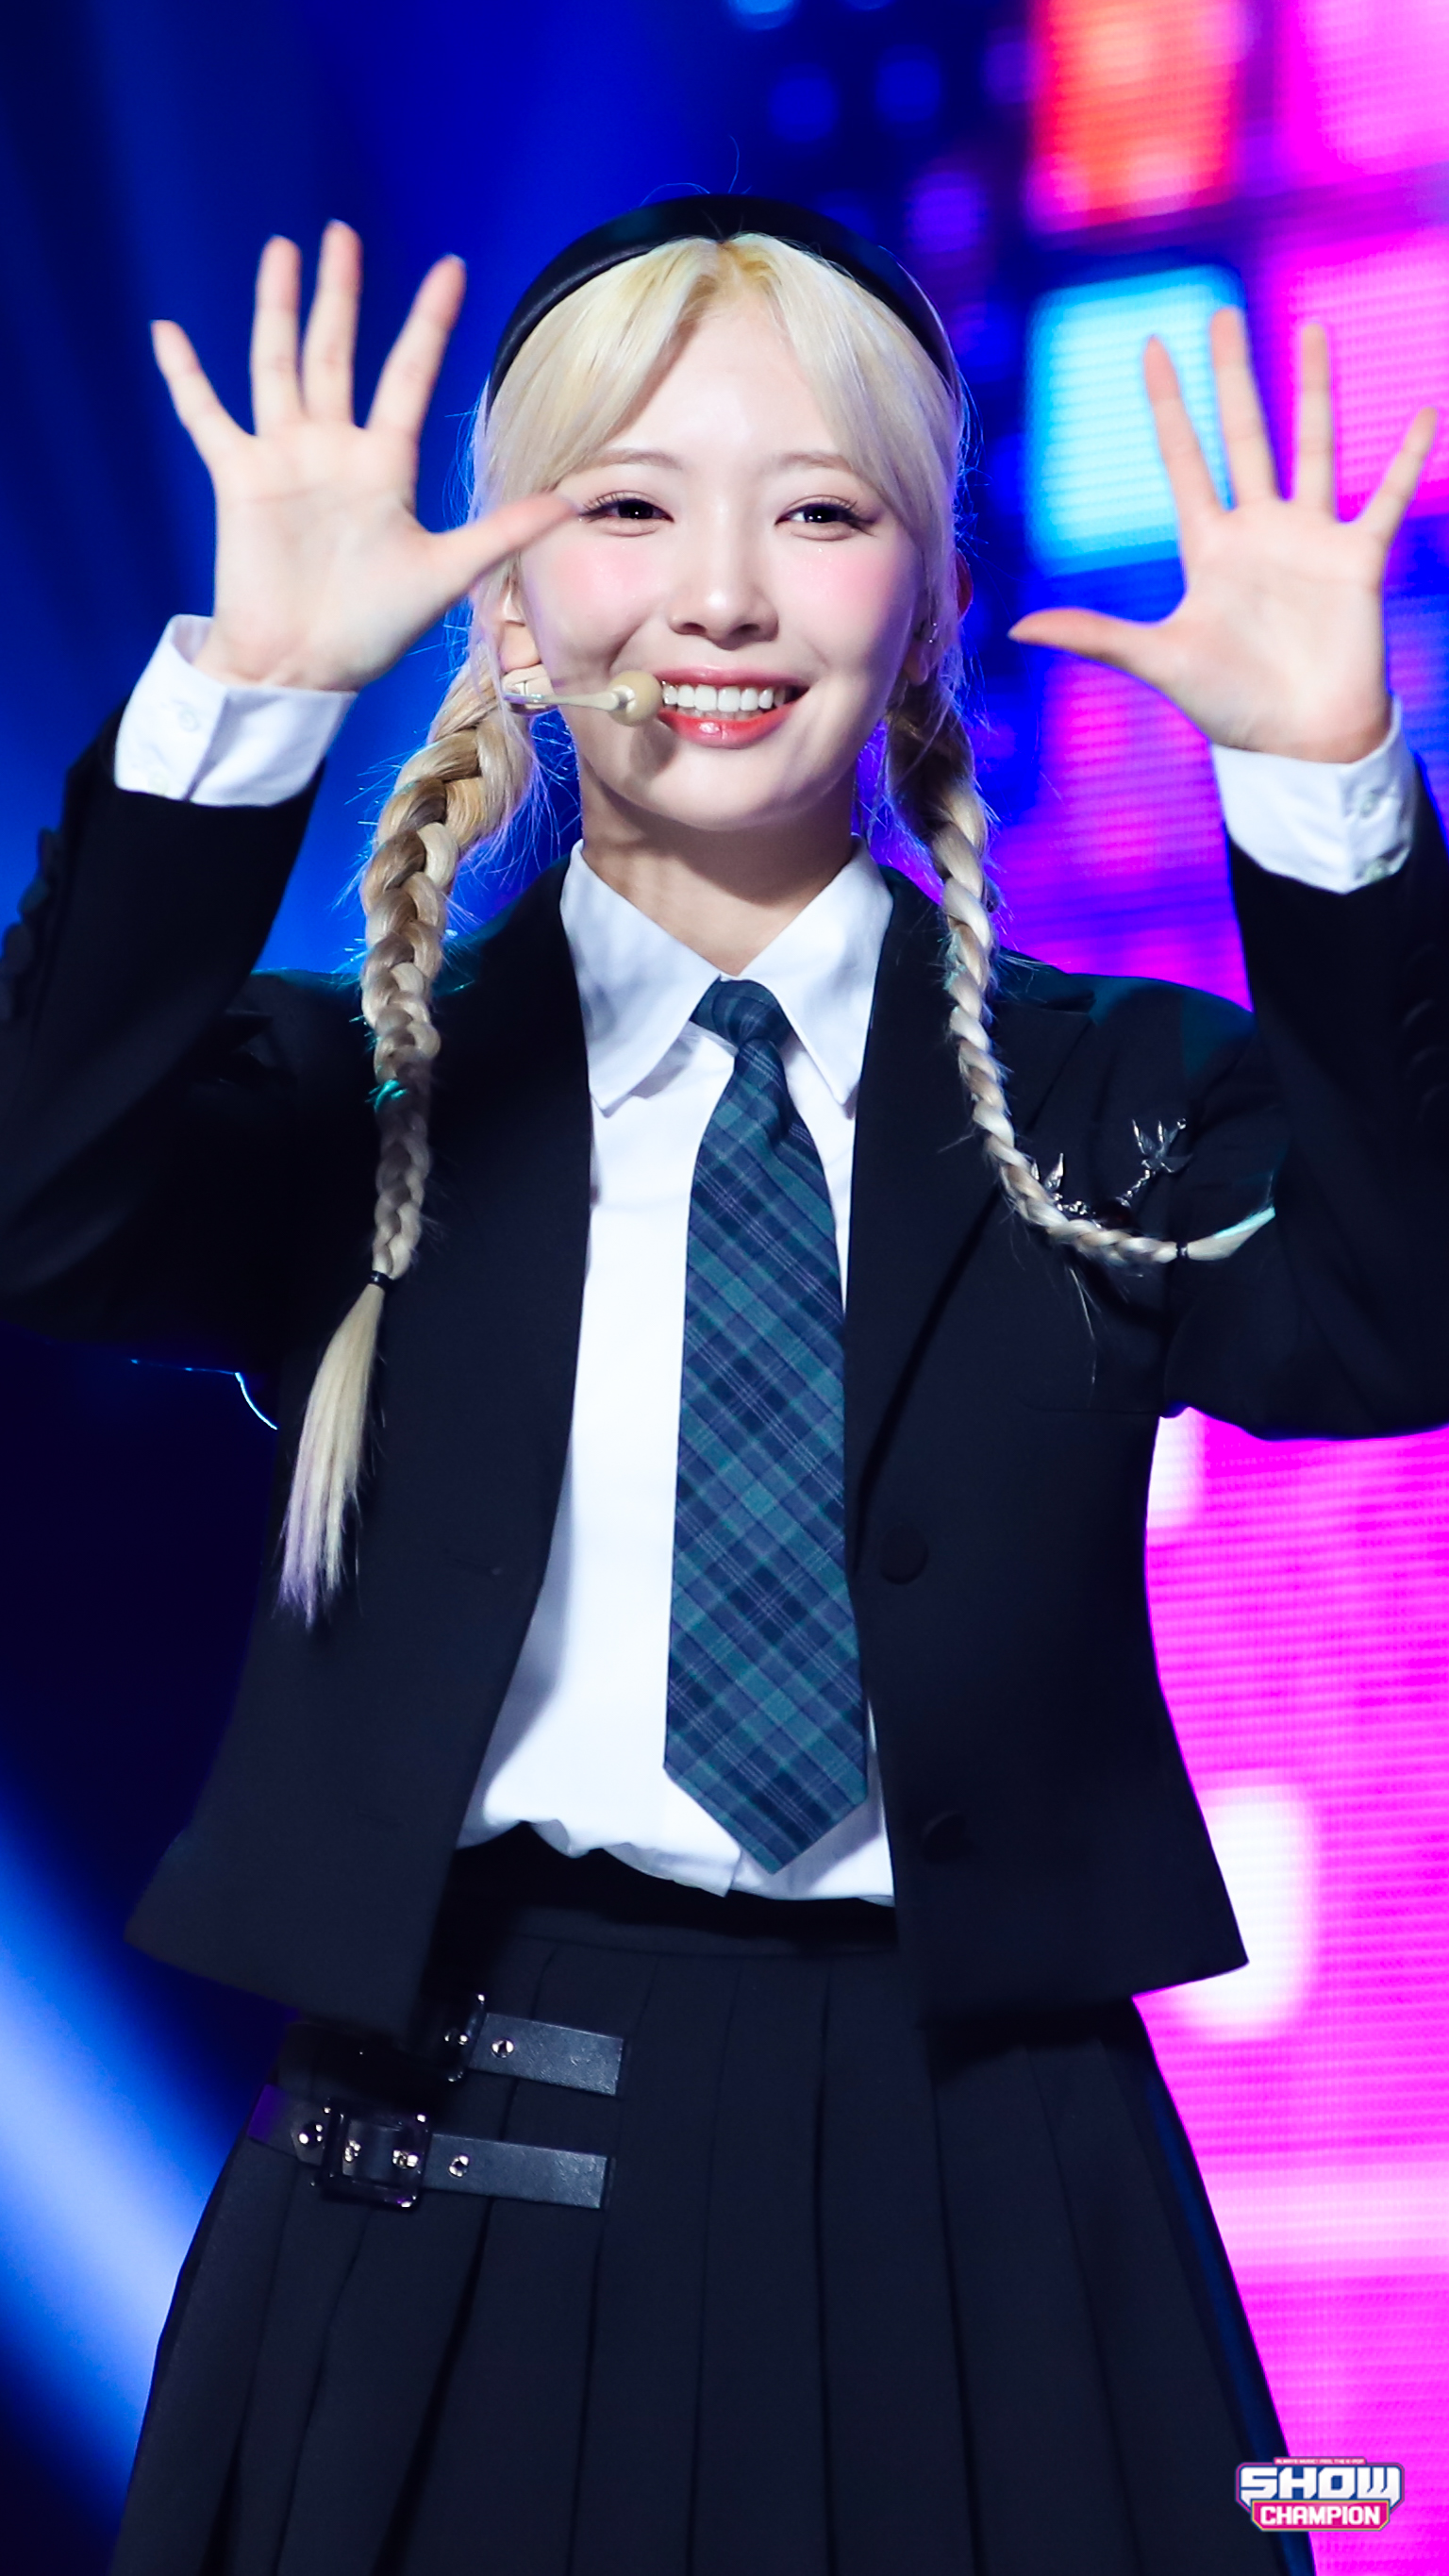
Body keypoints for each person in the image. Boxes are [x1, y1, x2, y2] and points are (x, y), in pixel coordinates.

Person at [0, 194, 1443, 2576]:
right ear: (510, 599)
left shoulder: (1108, 1099)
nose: (727, 599)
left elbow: (1399, 1321)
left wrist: (1329, 784)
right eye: (631, 510)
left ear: (924, 600)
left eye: (822, 513)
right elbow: (41, 1202)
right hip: (451, 2162)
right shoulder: (358, 1098)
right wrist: (245, 693)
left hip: (996, 2164)